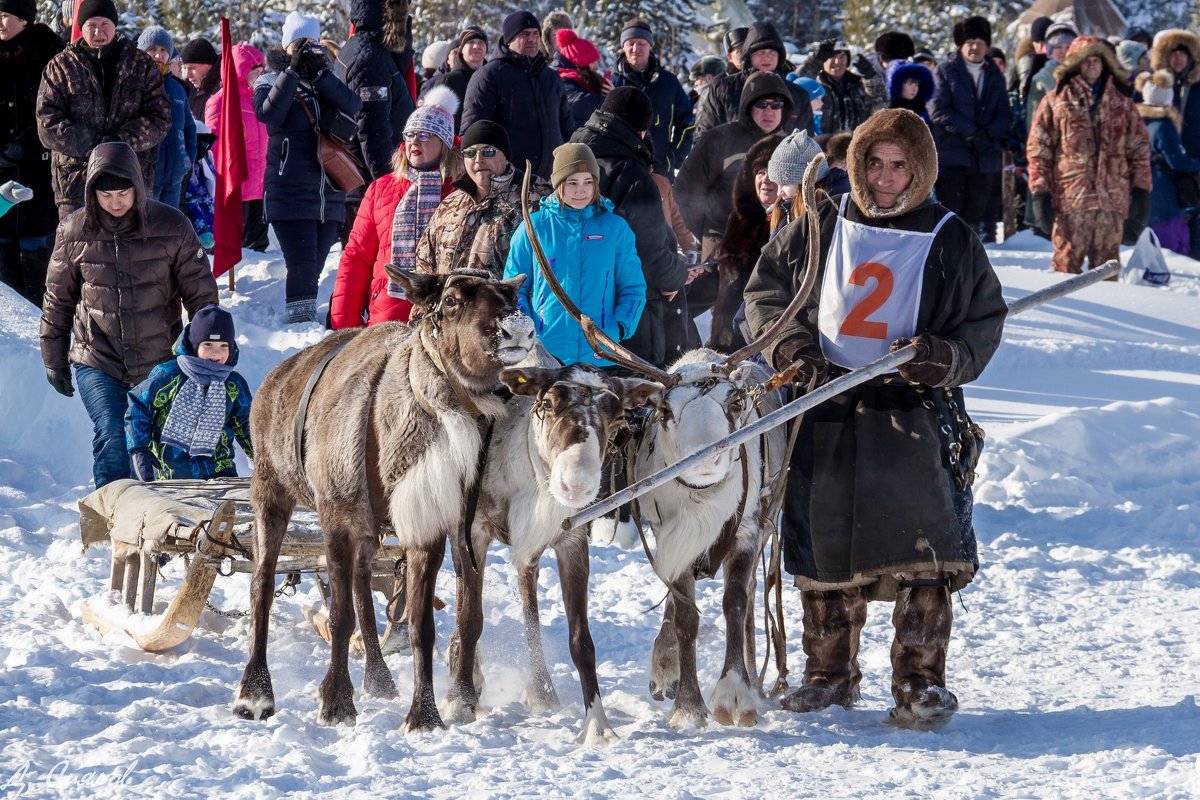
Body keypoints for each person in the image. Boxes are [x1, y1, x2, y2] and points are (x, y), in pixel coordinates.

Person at [743, 108, 1007, 728]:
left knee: (925, 551)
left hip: (913, 413)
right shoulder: (821, 226)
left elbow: (982, 323)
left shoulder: (951, 237)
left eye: (899, 167)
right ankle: (827, 675)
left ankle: (920, 681)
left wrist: (946, 358)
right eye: (874, 164)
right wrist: (792, 349)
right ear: (855, 166)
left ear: (920, 171)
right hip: (827, 406)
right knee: (824, 544)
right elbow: (765, 297)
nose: (885, 178)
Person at [40, 142, 217, 488]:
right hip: (98, 357)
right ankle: (112, 519)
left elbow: (203, 298)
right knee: (113, 434)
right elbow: (57, 300)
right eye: (106, 196)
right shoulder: (74, 231)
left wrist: (211, 347)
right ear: (92, 193)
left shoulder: (172, 226)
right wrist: (53, 358)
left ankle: (161, 518)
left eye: (123, 193)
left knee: (159, 443)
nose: (116, 203)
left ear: (138, 186)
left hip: (158, 358)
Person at [570, 87, 691, 368]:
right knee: (631, 400)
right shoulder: (633, 177)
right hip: (624, 316)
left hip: (569, 306)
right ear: (641, 132)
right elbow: (650, 256)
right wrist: (677, 275)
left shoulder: (571, 159)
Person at [255, 12, 362, 323]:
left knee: (314, 264)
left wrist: (320, 76)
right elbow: (270, 115)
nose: (307, 48)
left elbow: (353, 105)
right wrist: (291, 71)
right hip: (289, 190)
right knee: (301, 263)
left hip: (329, 188)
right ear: (288, 45)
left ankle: (302, 317)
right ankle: (300, 328)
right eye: (300, 43)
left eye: (312, 42)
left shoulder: (323, 79)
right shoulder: (270, 79)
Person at [504, 142, 646, 367]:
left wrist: (620, 326)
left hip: (601, 354)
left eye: (588, 182)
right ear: (559, 184)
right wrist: (528, 326)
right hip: (546, 354)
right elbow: (513, 288)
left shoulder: (615, 228)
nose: (581, 190)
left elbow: (633, 287)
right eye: (572, 183)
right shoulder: (534, 227)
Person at [330, 87, 460, 328]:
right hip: (388, 314)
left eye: (425, 135)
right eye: (410, 134)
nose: (414, 142)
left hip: (446, 318)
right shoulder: (381, 189)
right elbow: (357, 256)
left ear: (444, 143)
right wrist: (344, 321)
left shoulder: (460, 192)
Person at [1027, 36, 1151, 274]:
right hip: (1071, 201)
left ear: (1105, 64)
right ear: (1075, 64)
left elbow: (1139, 151)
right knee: (1064, 272)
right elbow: (1039, 151)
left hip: (1112, 202)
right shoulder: (1055, 101)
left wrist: (1141, 192)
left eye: (1097, 60)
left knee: (1107, 273)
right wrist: (1040, 193)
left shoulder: (1123, 104)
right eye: (1086, 60)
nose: (1092, 65)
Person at [36, 0, 171, 219]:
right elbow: (47, 123)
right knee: (81, 250)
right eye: (92, 25)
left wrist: (119, 142)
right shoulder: (60, 67)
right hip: (76, 182)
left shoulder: (141, 64)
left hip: (130, 180)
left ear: (115, 25)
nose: (99, 31)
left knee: (132, 250)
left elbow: (160, 117)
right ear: (82, 27)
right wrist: (93, 145)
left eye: (105, 23)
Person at [676, 70, 794, 269]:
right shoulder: (719, 139)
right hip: (722, 240)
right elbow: (685, 191)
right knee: (719, 298)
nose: (769, 112)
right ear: (748, 105)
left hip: (775, 240)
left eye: (776, 105)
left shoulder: (791, 145)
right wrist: (706, 233)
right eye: (761, 104)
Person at [126, 304, 253, 481]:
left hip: (220, 471)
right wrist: (139, 450)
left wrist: (266, 460)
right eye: (208, 344)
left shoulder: (233, 384)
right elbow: (138, 407)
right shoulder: (169, 375)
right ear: (194, 344)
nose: (217, 352)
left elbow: (247, 425)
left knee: (227, 508)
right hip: (171, 473)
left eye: (224, 345)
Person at [416, 120, 549, 278]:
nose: (478, 159)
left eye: (488, 151)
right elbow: (424, 263)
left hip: (508, 302)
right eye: (470, 153)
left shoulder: (534, 200)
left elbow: (549, 265)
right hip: (451, 302)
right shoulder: (449, 205)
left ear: (506, 157)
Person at [461, 10, 574, 180]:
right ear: (509, 39)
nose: (532, 39)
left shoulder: (551, 77)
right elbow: (473, 132)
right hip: (507, 181)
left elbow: (567, 128)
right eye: (524, 34)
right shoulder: (489, 75)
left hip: (551, 180)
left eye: (536, 34)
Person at [0, 0, 62, 306]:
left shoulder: (50, 55)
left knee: (37, 254)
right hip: (1, 172)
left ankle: (45, 326)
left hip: (38, 173)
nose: (0, 22)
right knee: (3, 255)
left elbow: (57, 113)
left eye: (5, 16)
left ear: (25, 19)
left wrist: (26, 144)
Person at [930, 15, 1011, 243]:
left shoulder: (995, 74)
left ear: (987, 45)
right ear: (960, 45)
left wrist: (988, 134)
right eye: (969, 42)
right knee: (952, 211)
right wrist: (970, 132)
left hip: (984, 156)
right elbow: (938, 110)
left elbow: (1004, 113)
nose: (975, 46)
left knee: (977, 212)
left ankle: (972, 255)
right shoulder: (945, 70)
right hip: (953, 154)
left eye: (980, 42)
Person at [709, 133, 782, 351]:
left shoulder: (792, 223)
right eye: (760, 172)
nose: (766, 179)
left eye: (773, 172)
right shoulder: (739, 219)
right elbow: (728, 278)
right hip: (725, 338)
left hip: (761, 341)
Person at [333, 0, 416, 185]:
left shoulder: (369, 50)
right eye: (403, 7)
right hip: (369, 186)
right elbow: (372, 132)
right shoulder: (370, 59)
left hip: (365, 180)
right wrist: (390, 186)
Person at [695, 21, 812, 138]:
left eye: (772, 52)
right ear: (749, 56)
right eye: (761, 52)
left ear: (779, 56)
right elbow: (704, 137)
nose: (767, 57)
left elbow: (806, 142)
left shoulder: (798, 95)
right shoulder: (722, 89)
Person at [205, 43, 269, 252]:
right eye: (255, 72)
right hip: (236, 187)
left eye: (262, 71)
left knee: (259, 249)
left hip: (259, 187)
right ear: (241, 71)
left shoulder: (260, 100)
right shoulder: (220, 101)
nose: (259, 76)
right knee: (235, 249)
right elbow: (213, 146)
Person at [613, 19, 695, 180]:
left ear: (650, 46)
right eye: (630, 43)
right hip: (621, 174)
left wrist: (673, 158)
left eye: (641, 43)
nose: (635, 49)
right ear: (623, 46)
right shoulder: (612, 84)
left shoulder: (669, 82)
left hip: (660, 171)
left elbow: (687, 123)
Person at [1136, 71, 1200, 256]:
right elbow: (1178, 162)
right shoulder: (1163, 126)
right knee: (1169, 247)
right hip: (1165, 194)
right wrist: (1196, 164)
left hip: (1148, 190)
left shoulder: (1140, 122)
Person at [137, 26, 195, 209]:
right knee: (146, 231)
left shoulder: (177, 88)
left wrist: (188, 159)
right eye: (152, 49)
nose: (158, 55)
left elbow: (189, 127)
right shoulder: (135, 84)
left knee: (169, 232)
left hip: (174, 178)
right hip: (146, 178)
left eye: (163, 50)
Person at [419, 25, 487, 131]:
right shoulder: (447, 81)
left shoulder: (492, 78)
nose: (476, 46)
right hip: (455, 144)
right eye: (471, 42)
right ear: (462, 49)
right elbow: (434, 122)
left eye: (481, 42)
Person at [797, 38, 871, 135]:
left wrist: (871, 77)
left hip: (855, 144)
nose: (837, 62)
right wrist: (816, 60)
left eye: (842, 56)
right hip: (821, 146)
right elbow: (797, 84)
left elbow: (881, 104)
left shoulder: (859, 85)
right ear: (823, 60)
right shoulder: (814, 85)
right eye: (832, 56)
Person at [555, 29, 610, 126]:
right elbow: (581, 104)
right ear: (581, 63)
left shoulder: (584, 78)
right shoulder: (562, 80)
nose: (596, 66)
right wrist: (613, 99)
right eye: (592, 61)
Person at [862, 31, 916, 112]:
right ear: (882, 59)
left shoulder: (913, 75)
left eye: (900, 62)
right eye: (891, 62)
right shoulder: (867, 77)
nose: (895, 66)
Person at [180, 37, 221, 120]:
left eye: (192, 68)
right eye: (185, 68)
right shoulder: (188, 89)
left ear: (208, 65)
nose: (188, 75)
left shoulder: (222, 88)